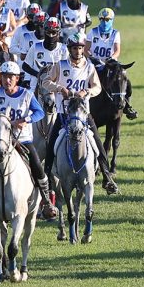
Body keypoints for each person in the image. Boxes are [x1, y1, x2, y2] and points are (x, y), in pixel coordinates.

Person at [0, 61, 59, 219]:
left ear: (17, 79)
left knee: (37, 165)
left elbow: (39, 112)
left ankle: (47, 202)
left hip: (23, 140)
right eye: (4, 77)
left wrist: (25, 120)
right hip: (0, 140)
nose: (7, 80)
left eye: (11, 77)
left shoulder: (26, 94)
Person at [40, 32, 119, 194]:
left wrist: (87, 91)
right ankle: (46, 177)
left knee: (97, 142)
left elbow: (97, 87)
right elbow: (46, 82)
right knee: (51, 146)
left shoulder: (89, 67)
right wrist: (60, 88)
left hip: (83, 114)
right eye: (75, 48)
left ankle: (106, 177)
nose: (78, 51)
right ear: (69, 49)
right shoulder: (60, 65)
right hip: (63, 113)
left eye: (80, 48)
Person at [86, 7, 137, 120]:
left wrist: (111, 58)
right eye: (103, 19)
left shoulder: (115, 34)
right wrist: (92, 57)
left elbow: (117, 50)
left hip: (110, 63)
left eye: (107, 19)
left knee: (124, 79)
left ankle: (127, 105)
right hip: (94, 63)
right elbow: (86, 49)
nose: (105, 22)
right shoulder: (92, 32)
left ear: (112, 20)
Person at [21, 15, 64, 92]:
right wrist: (38, 74)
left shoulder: (63, 49)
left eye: (53, 32)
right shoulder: (35, 47)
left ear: (58, 33)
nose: (51, 35)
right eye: (48, 32)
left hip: (56, 87)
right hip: (36, 86)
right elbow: (25, 66)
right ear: (44, 31)